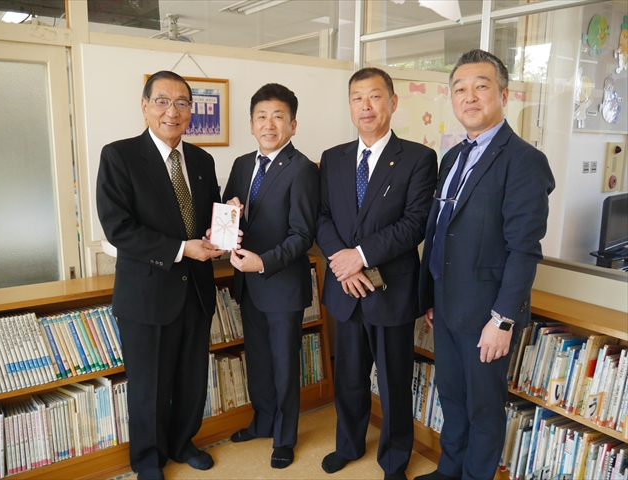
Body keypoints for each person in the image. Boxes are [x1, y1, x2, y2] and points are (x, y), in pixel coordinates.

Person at [416, 50, 555, 480]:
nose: (469, 97)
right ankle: (449, 470)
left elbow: (524, 249)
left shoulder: (524, 160)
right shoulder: (452, 157)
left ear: (504, 95)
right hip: (447, 305)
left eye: (481, 86)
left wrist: (502, 320)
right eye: (460, 89)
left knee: (483, 407)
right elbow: (442, 232)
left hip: (487, 315)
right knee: (452, 397)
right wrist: (432, 295)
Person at [96, 71, 225, 480]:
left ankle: (183, 442)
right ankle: (149, 460)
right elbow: (118, 228)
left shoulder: (202, 160)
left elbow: (209, 218)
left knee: (191, 378)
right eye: (162, 101)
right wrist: (182, 249)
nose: (173, 111)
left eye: (182, 103)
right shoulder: (119, 156)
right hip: (147, 294)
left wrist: (223, 226)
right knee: (149, 385)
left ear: (191, 110)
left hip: (197, 291)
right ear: (145, 106)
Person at [316, 67, 437, 480]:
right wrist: (342, 261)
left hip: (392, 291)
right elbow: (322, 217)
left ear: (393, 102)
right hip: (345, 289)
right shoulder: (332, 158)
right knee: (349, 378)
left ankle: (394, 460)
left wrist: (361, 256)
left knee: (393, 382)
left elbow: (415, 223)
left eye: (374, 97)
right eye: (357, 98)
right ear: (350, 105)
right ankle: (348, 445)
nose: (365, 106)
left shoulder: (419, 158)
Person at [222, 83, 320, 469]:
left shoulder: (302, 169)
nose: (269, 124)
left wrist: (262, 262)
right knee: (259, 361)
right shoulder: (242, 164)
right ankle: (262, 422)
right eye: (261, 116)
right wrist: (229, 214)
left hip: (280, 284)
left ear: (293, 125)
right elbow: (228, 215)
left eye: (278, 117)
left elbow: (302, 235)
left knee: (284, 366)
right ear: (251, 124)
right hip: (247, 284)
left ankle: (285, 437)